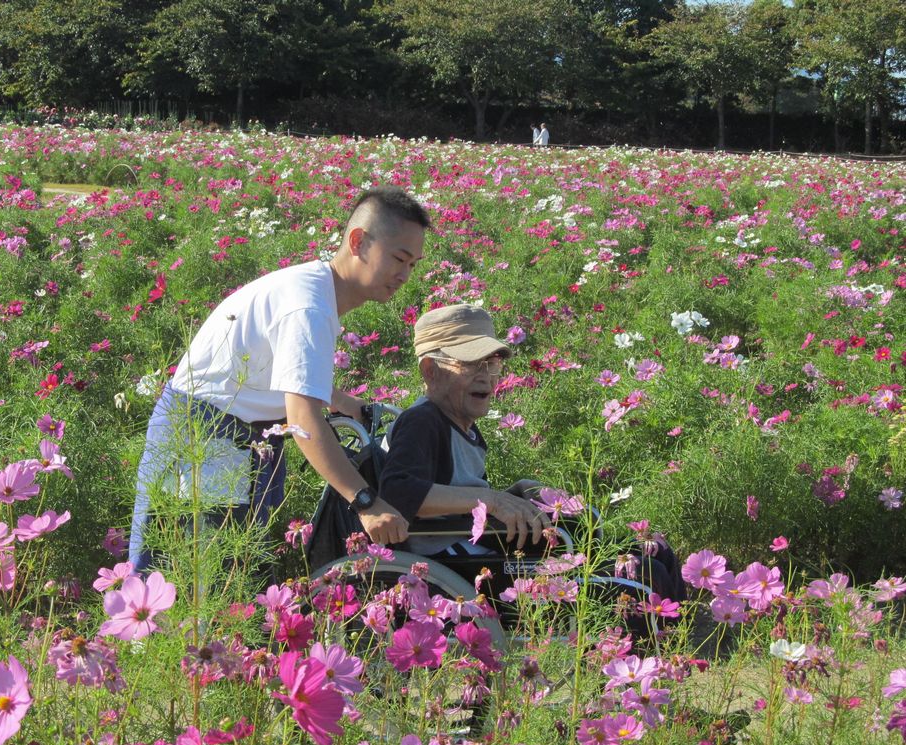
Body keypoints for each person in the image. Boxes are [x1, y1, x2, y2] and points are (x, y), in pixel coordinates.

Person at [129, 186, 430, 569]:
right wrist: (366, 502)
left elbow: (285, 368)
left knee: (231, 572)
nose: (404, 275)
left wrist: (339, 400)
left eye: (413, 264)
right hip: (206, 440)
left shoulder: (315, 288)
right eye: (399, 259)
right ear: (358, 242)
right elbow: (303, 421)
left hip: (235, 436)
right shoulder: (309, 307)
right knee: (197, 577)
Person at [379, 304, 685, 601]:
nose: (486, 376)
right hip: (456, 563)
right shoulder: (423, 422)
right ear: (431, 370)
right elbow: (399, 492)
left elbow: (456, 496)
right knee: (644, 575)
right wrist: (491, 499)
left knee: (655, 553)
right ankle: (666, 635)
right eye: (470, 364)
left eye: (492, 363)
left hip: (482, 545)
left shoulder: (460, 424)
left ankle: (678, 631)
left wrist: (516, 491)